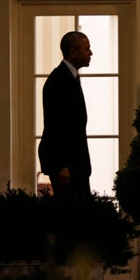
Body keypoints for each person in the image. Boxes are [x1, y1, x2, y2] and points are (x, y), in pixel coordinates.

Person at [38, 31, 93, 197]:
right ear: (73, 52)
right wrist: (63, 166)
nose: (91, 53)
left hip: (74, 163)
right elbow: (56, 125)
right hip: (67, 165)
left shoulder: (69, 76)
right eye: (87, 49)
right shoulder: (59, 80)